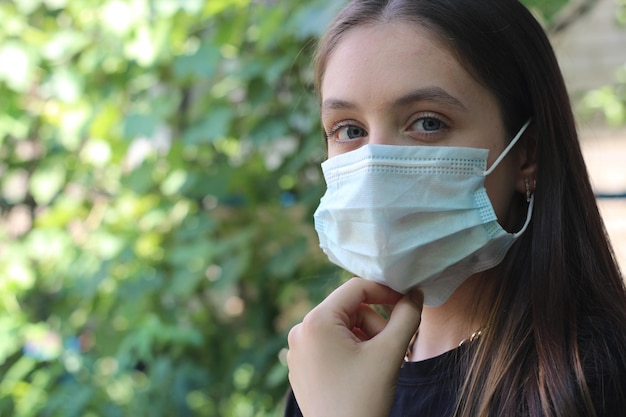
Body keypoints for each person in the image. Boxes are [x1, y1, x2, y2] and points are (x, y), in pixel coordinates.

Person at [284, 0, 626, 416]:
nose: (375, 167)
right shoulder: (328, 369)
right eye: (349, 130)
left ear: (527, 155)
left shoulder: (593, 384)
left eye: (428, 122)